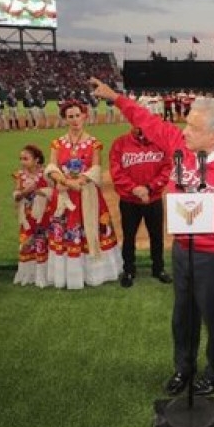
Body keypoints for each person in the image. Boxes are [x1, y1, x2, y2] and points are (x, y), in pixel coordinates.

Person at [92, 76, 214, 397]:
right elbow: (147, 120)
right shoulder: (181, 146)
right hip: (183, 250)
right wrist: (115, 97)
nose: (184, 131)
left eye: (193, 127)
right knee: (183, 317)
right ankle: (184, 368)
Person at [43, 100, 123, 289]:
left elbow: (96, 169)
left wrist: (78, 181)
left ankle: (93, 274)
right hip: (65, 197)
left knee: (91, 230)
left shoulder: (94, 143)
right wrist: (66, 182)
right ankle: (69, 275)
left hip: (87, 195)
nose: (74, 120)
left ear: (84, 116)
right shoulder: (57, 143)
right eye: (70, 116)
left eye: (77, 115)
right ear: (65, 119)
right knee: (66, 234)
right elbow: (52, 167)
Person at [109, 126, 173, 288]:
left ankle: (158, 268)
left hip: (153, 198)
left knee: (157, 236)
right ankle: (129, 270)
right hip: (129, 200)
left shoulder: (160, 143)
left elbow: (167, 169)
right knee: (129, 236)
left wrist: (149, 188)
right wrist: (134, 189)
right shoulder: (120, 143)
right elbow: (116, 171)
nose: (141, 127)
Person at [12, 144, 51, 287]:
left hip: (44, 215)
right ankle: (29, 275)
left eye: (26, 158)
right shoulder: (20, 175)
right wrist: (24, 192)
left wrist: (39, 191)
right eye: (21, 159)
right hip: (27, 216)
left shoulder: (46, 173)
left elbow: (52, 192)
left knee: (43, 241)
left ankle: (45, 274)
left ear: (37, 160)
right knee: (28, 242)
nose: (22, 162)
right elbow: (17, 195)